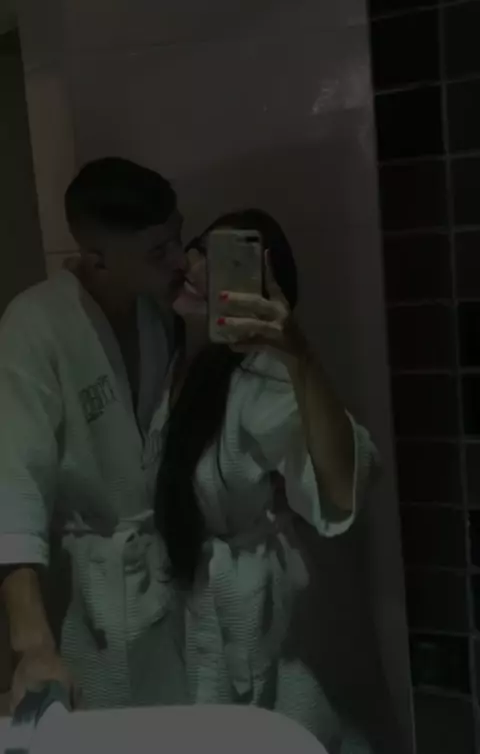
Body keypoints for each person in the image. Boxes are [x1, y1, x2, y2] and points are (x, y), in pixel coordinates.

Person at [152, 209, 378, 754]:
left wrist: (297, 355)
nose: (196, 266)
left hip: (265, 629)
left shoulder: (263, 372)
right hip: (196, 612)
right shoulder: (175, 361)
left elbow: (341, 488)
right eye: (200, 248)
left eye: (224, 260)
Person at [0, 157, 189, 712]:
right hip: (87, 601)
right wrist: (32, 644)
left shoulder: (161, 316)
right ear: (98, 258)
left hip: (160, 582)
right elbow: (13, 485)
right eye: (158, 251)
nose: (180, 260)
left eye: (177, 239)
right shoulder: (33, 325)